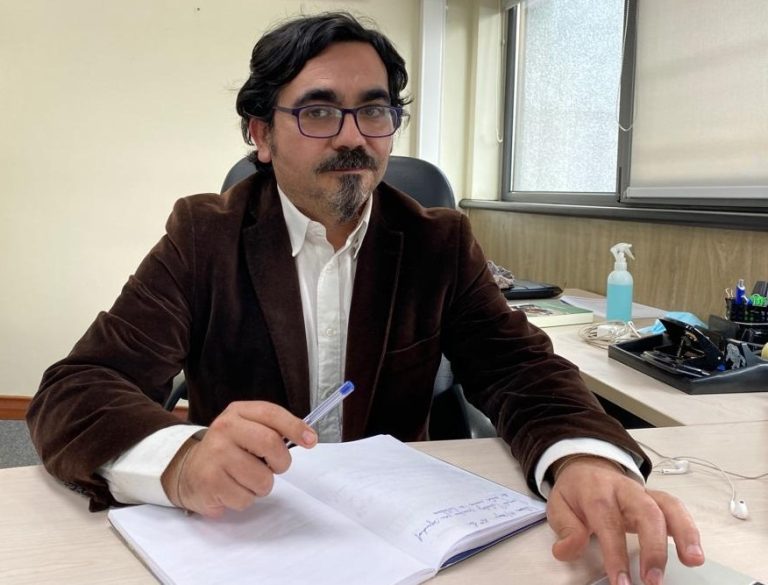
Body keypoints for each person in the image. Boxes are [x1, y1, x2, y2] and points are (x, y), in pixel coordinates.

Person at [27, 12, 703, 585]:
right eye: (318, 111)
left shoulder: (437, 240)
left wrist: (584, 457)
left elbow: (520, 370)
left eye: (374, 110)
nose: (353, 136)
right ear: (260, 135)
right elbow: (77, 388)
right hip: (244, 532)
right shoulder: (205, 236)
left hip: (408, 539)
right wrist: (181, 459)